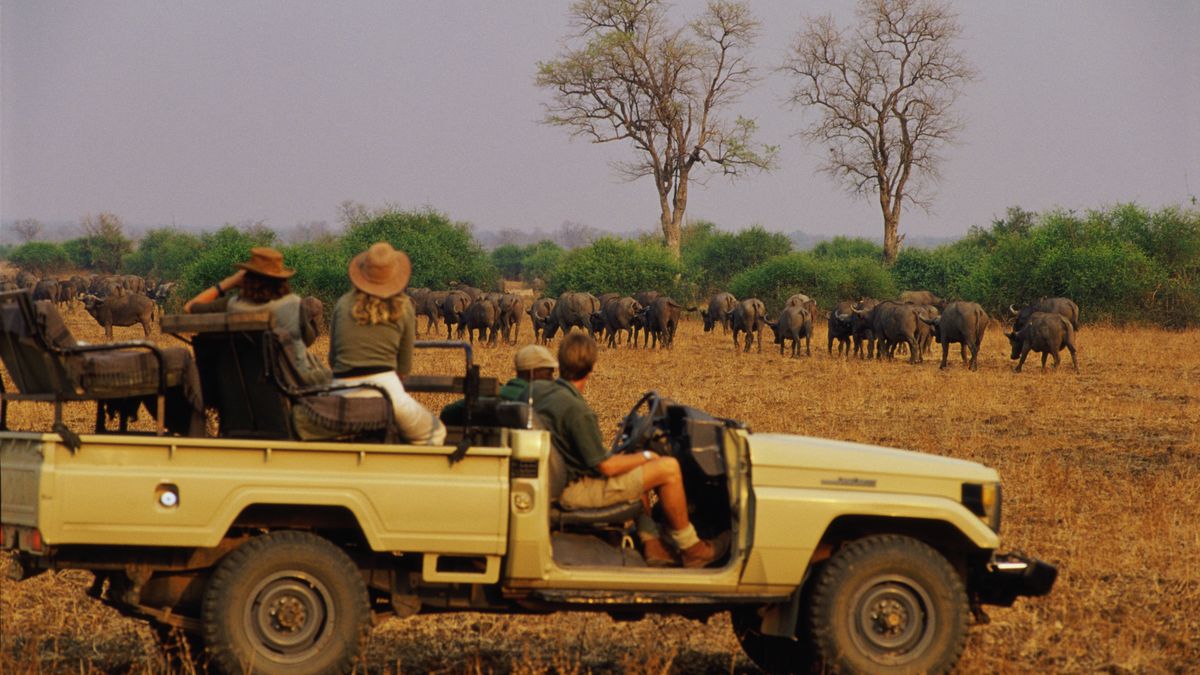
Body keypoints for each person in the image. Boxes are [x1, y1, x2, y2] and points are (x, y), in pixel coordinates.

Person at [532, 332, 727, 568]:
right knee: (668, 468)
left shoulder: (544, 393)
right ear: (591, 368)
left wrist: (634, 457)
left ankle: (652, 543)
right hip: (575, 491)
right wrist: (647, 455)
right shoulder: (577, 411)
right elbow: (605, 466)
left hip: (561, 481)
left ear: (560, 363)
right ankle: (691, 548)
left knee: (633, 464)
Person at [328, 242, 446, 445]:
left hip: (340, 389)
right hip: (387, 390)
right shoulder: (404, 307)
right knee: (436, 434)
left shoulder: (342, 304)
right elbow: (404, 367)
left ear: (362, 274)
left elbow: (332, 359)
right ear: (395, 276)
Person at [184, 246, 330, 386]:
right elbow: (309, 340)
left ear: (245, 278)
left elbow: (189, 307)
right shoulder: (292, 305)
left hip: (236, 390)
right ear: (281, 281)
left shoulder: (231, 305)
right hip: (291, 387)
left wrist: (227, 283)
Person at [439, 344, 558, 425]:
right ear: (532, 373)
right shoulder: (541, 400)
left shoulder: (491, 393)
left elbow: (446, 414)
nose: (551, 379)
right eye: (548, 374)